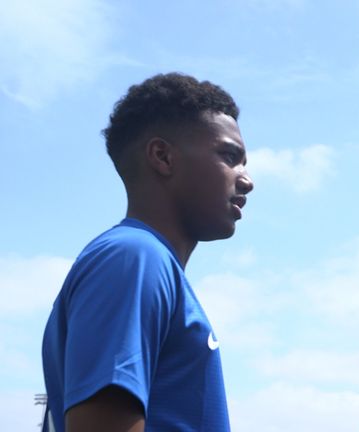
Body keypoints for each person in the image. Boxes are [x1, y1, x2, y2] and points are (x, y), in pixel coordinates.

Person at [41, 72, 253, 431]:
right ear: (162, 157)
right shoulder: (134, 259)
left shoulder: (145, 264)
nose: (246, 179)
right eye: (229, 156)